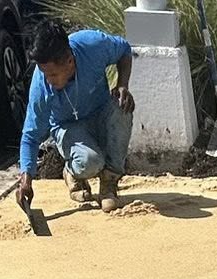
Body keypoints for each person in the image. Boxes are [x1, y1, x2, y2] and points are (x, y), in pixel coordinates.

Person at [16, 18, 136, 213]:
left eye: (53, 74)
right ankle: (72, 172)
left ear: (69, 61)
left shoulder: (93, 45)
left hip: (101, 114)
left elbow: (124, 50)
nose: (48, 80)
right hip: (68, 128)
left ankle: (109, 184)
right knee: (90, 162)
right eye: (44, 73)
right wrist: (26, 180)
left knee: (122, 107)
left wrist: (123, 84)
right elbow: (30, 136)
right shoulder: (41, 86)